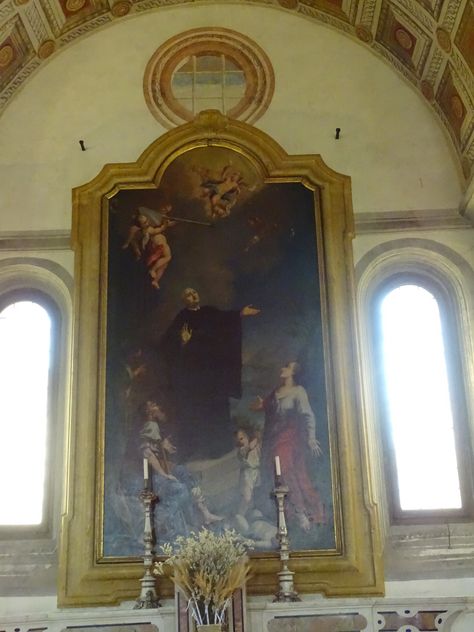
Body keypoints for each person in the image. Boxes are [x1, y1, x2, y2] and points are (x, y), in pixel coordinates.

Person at [161, 288, 260, 460]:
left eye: (194, 292)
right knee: (198, 410)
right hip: (195, 376)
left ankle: (219, 447)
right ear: (184, 300)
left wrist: (241, 313)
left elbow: (226, 319)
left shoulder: (209, 311)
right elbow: (167, 344)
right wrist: (182, 342)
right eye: (189, 295)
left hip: (214, 373)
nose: (194, 295)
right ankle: (198, 450)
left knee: (218, 409)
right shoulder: (182, 317)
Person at [252, 361, 326, 531]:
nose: (282, 368)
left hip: (290, 439)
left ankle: (301, 511)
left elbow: (308, 415)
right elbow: (267, 406)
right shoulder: (276, 392)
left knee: (288, 471)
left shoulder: (298, 391)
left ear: (293, 372)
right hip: (273, 438)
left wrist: (311, 438)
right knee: (278, 474)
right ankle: (289, 513)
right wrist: (259, 405)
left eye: (287, 367)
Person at [139, 399, 223, 535]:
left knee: (184, 473)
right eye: (153, 405)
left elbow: (156, 445)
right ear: (148, 411)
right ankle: (169, 525)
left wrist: (164, 445)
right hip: (153, 474)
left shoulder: (156, 425)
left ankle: (205, 514)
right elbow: (147, 452)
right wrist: (165, 474)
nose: (157, 406)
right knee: (181, 488)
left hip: (163, 467)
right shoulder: (150, 425)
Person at [234, 426, 261, 518]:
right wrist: (255, 441)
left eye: (242, 438)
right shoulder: (241, 450)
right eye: (238, 440)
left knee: (253, 497)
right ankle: (239, 515)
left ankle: (251, 515)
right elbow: (248, 448)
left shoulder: (256, 446)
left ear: (247, 437)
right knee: (247, 497)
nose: (240, 442)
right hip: (247, 476)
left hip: (256, 473)